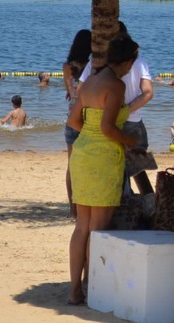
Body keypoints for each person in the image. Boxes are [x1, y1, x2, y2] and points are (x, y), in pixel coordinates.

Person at [67, 35, 140, 305]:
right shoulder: (116, 86)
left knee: (81, 227)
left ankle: (75, 290)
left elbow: (73, 121)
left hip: (82, 152)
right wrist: (131, 142)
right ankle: (92, 287)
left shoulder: (90, 82)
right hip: (103, 158)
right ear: (128, 61)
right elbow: (108, 128)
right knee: (98, 227)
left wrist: (91, 137)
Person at [78, 22, 156, 195]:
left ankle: (130, 201)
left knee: (119, 171)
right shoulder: (139, 61)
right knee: (137, 169)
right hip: (133, 121)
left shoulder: (98, 62)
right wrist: (128, 109)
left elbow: (81, 90)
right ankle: (148, 201)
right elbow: (148, 93)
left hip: (107, 120)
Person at [63, 29, 92, 216]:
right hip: (88, 119)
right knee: (89, 164)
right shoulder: (92, 66)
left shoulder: (67, 66)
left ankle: (72, 208)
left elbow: (70, 91)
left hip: (71, 117)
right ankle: (86, 205)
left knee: (71, 165)